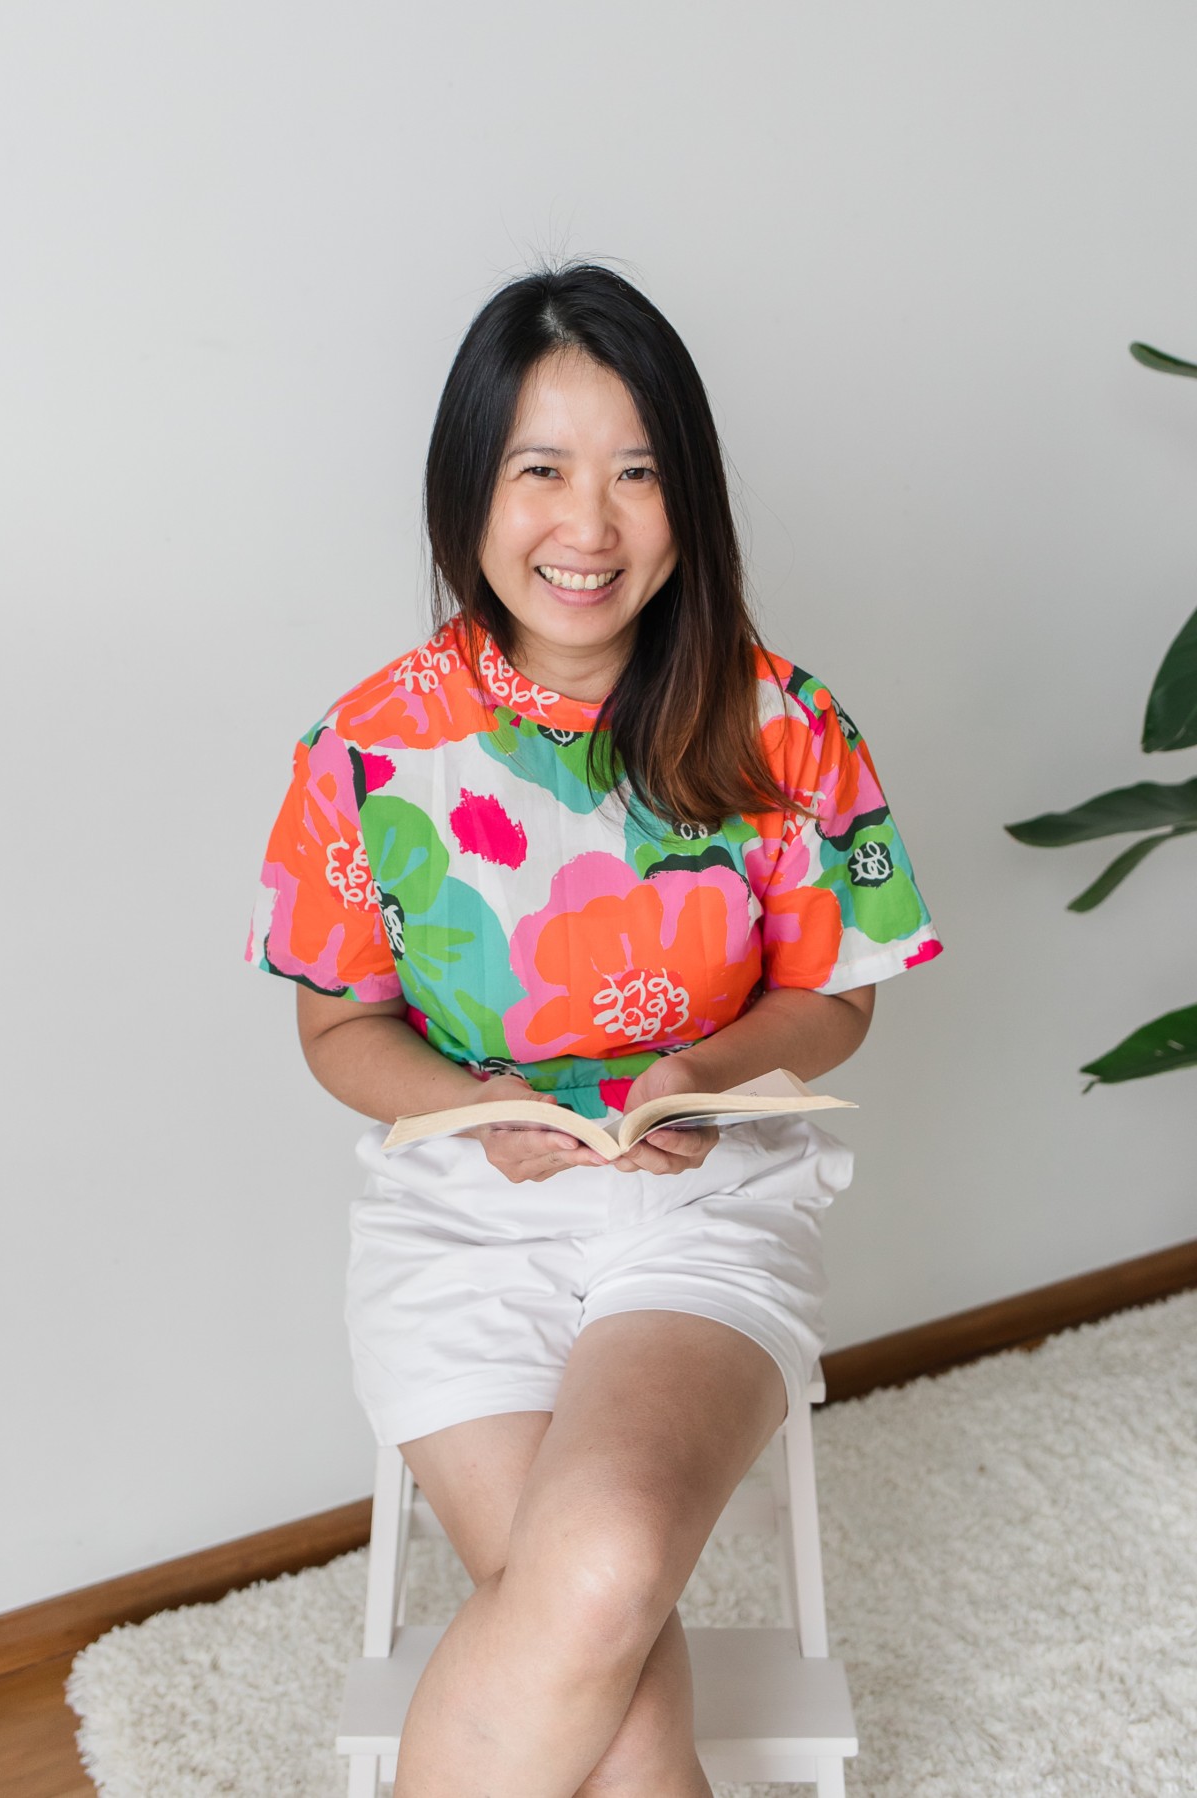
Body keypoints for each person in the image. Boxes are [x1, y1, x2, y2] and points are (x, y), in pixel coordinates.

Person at [244, 261, 943, 1797]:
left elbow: (839, 993)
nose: (590, 524)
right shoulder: (364, 748)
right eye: (542, 470)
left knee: (607, 1561)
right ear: (470, 492)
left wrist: (704, 1071)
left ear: (688, 495)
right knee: (601, 1666)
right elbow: (340, 1030)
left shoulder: (788, 727)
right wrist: (477, 1104)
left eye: (636, 473)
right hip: (456, 1210)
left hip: (707, 1197)